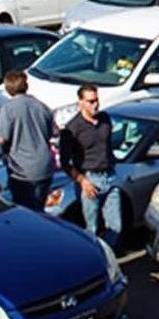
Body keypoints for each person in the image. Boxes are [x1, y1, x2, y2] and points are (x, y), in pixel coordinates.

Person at [0, 69, 55, 211]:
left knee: (25, 210)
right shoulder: (41, 106)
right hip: (45, 167)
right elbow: (52, 133)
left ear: (8, 88)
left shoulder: (9, 108)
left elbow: (2, 138)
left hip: (23, 171)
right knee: (39, 209)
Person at [59, 84, 121, 248]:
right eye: (90, 101)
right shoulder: (73, 129)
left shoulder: (105, 119)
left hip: (110, 176)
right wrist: (82, 181)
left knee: (116, 226)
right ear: (80, 102)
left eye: (96, 100)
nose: (95, 105)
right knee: (91, 228)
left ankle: (107, 257)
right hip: (90, 179)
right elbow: (65, 162)